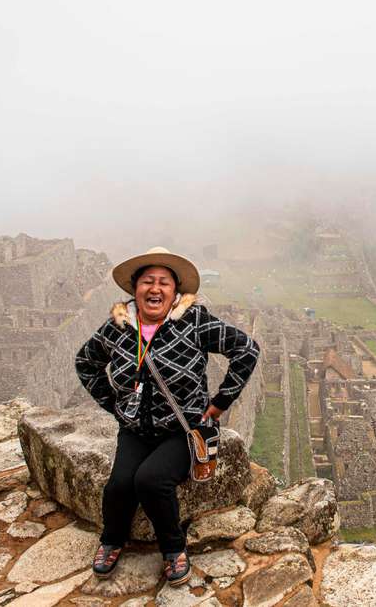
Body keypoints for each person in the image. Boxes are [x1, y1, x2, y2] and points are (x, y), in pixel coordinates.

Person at [75, 247, 260, 587]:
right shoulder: (118, 327)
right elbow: (85, 362)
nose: (155, 289)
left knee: (150, 480)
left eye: (164, 282)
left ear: (175, 291)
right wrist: (114, 404)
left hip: (183, 428)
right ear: (135, 289)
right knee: (118, 485)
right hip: (135, 429)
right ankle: (112, 540)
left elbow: (246, 349)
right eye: (148, 281)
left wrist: (220, 401)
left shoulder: (194, 321)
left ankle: (174, 549)